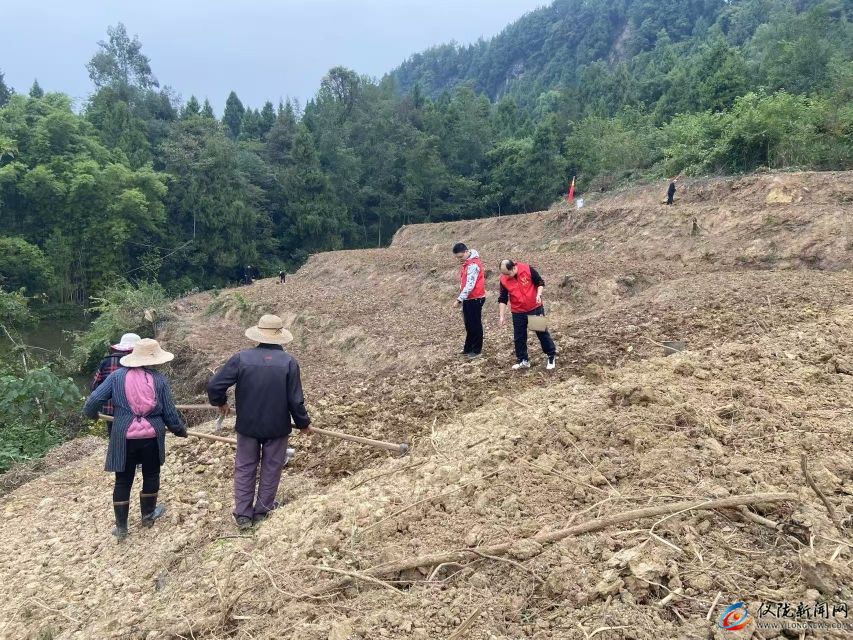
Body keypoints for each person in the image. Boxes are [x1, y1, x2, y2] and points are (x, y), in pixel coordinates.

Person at [206, 314, 312, 530]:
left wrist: (221, 402)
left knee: (245, 467)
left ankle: (243, 515)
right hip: (277, 426)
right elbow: (295, 399)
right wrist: (303, 423)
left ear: (259, 335)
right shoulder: (289, 362)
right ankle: (262, 511)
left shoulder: (241, 358)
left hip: (247, 425)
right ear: (280, 336)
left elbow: (214, 385)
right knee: (271, 468)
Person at [83, 339, 187, 540]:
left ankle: (122, 528)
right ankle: (148, 515)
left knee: (122, 480)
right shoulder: (159, 380)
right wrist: (179, 430)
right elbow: (170, 413)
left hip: (124, 435)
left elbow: (93, 401)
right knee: (151, 474)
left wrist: (91, 414)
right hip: (152, 435)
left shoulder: (116, 377)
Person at [498, 259, 557, 371]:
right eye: (504, 274)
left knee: (541, 333)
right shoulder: (503, 279)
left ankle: (551, 356)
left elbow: (540, 282)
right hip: (518, 311)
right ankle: (523, 360)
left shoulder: (527, 269)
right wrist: (502, 316)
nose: (507, 277)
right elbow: (503, 298)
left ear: (514, 268)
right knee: (519, 337)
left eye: (508, 274)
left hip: (534, 308)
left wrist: (538, 295)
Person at [91, 333, 141, 427]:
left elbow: (94, 385)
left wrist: (95, 407)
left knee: (114, 436)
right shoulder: (140, 364)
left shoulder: (106, 362)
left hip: (110, 409)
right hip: (135, 409)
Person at [453, 242, 486, 359]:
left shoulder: (473, 264)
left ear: (466, 252)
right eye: (457, 258)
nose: (459, 259)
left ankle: (476, 350)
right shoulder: (467, 263)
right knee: (468, 324)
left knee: (475, 324)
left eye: (461, 257)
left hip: (475, 298)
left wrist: (459, 300)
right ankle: (468, 347)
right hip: (468, 298)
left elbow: (470, 285)